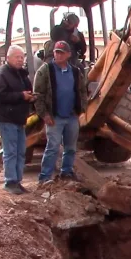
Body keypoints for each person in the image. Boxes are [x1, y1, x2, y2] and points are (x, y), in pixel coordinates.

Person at [33, 41, 87, 186]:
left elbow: (82, 91)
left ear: (68, 54)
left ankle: (67, 172)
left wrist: (81, 110)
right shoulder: (45, 71)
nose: (58, 54)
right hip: (54, 117)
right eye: (57, 52)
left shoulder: (76, 72)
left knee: (70, 148)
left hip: (71, 117)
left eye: (62, 52)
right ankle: (45, 177)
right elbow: (38, 94)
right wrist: (44, 115)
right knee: (53, 147)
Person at [0, 45, 36, 195]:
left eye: (21, 57)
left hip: (19, 119)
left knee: (20, 151)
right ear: (8, 58)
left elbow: (26, 92)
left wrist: (30, 97)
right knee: (11, 151)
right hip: (6, 119)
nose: (20, 60)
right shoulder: (1, 74)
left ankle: (17, 181)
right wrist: (20, 96)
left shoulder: (22, 75)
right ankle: (10, 181)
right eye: (17, 57)